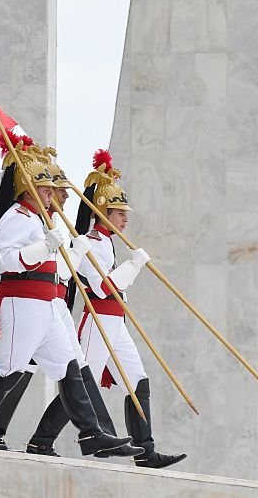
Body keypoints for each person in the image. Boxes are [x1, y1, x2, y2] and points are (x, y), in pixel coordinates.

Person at [0, 133, 136, 458]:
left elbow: (61, 273)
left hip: (48, 303)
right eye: (46, 188)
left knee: (73, 365)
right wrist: (45, 246)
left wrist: (71, 248)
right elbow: (8, 257)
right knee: (11, 367)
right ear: (28, 188)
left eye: (51, 188)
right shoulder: (15, 218)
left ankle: (91, 434)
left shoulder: (41, 221)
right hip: (22, 300)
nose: (52, 194)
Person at [26, 150, 186, 469]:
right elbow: (103, 286)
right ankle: (41, 441)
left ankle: (146, 450)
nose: (125, 218)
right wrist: (134, 265)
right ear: (103, 212)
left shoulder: (107, 242)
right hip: (98, 320)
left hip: (117, 321)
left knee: (138, 380)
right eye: (119, 212)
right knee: (82, 384)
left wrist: (130, 266)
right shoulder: (87, 240)